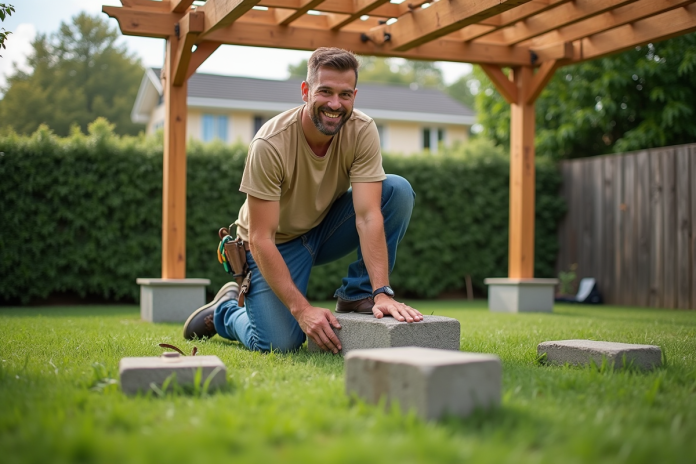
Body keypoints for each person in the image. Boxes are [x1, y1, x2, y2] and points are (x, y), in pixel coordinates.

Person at [183, 47, 422, 354]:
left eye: (345, 94)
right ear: (306, 91)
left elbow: (367, 215)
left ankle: (357, 293)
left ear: (354, 95)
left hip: (321, 231)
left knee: (397, 191)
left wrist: (382, 293)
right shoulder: (270, 143)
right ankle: (225, 313)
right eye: (325, 92)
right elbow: (260, 238)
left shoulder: (362, 130)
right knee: (279, 343)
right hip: (274, 244)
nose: (335, 104)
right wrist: (302, 310)